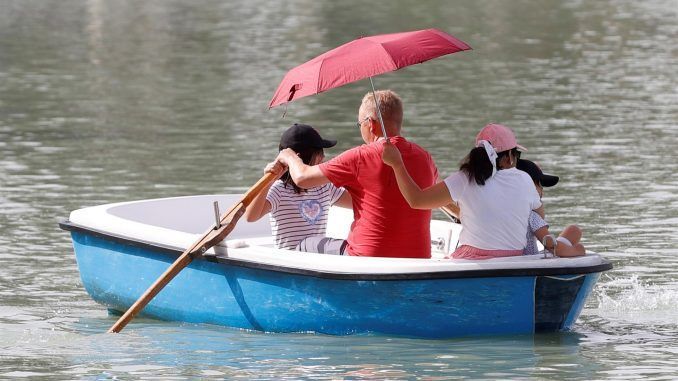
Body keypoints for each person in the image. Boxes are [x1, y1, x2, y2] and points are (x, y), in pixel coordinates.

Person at [273, 90, 438, 258]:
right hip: (419, 257)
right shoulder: (425, 157)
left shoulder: (359, 157)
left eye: (359, 125)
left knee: (307, 244)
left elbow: (302, 178)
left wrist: (289, 156)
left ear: (370, 124)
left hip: (367, 257)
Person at [382, 123, 543, 260]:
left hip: (471, 258)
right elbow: (539, 216)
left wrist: (397, 164)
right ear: (509, 156)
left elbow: (416, 200)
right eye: (517, 154)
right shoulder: (525, 179)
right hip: (515, 259)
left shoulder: (465, 178)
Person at [244, 123, 352, 251]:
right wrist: (269, 180)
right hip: (291, 260)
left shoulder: (324, 187)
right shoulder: (279, 189)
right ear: (300, 158)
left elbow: (357, 202)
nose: (323, 157)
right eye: (319, 153)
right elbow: (250, 216)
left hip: (317, 258)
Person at [516, 159, 586, 257]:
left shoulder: (505, 210)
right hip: (528, 260)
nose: (542, 190)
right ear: (528, 186)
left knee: (573, 230)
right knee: (574, 236)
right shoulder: (531, 216)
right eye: (540, 184)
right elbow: (552, 246)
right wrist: (578, 250)